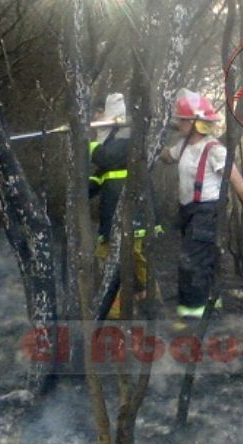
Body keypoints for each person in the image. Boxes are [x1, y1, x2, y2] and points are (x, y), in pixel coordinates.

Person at [160, 88, 243, 319]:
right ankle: (210, 307)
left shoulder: (215, 150)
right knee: (205, 260)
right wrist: (155, 140)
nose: (180, 124)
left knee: (192, 262)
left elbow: (239, 185)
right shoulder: (184, 146)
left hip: (207, 213)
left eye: (183, 121)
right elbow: (167, 157)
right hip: (189, 212)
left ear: (195, 123)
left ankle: (193, 317)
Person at [89, 93, 162, 319]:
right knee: (115, 257)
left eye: (99, 115)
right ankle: (137, 301)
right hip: (114, 214)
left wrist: (88, 144)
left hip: (134, 214)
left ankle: (141, 301)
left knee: (132, 258)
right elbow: (103, 175)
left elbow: (107, 159)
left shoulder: (129, 139)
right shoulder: (112, 142)